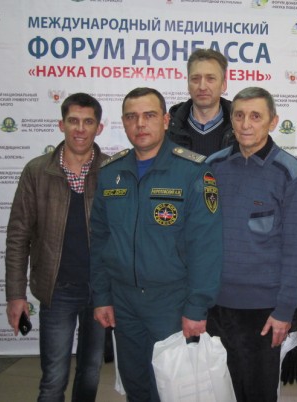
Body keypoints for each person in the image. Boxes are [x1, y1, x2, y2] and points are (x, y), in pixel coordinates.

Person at [89, 87, 222, 402]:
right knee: (135, 384)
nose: (140, 124)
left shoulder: (193, 171)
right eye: (131, 117)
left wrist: (196, 306)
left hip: (171, 302)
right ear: (124, 122)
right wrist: (102, 296)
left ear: (165, 120)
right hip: (124, 301)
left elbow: (206, 246)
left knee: (172, 388)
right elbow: (100, 240)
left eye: (149, 115)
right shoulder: (110, 173)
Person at [205, 86, 297, 402]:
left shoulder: (289, 171)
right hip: (216, 305)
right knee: (222, 392)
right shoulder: (213, 166)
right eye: (239, 116)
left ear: (272, 121)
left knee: (259, 393)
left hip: (264, 311)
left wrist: (285, 310)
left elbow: (296, 249)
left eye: (255, 116)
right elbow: (200, 236)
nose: (246, 124)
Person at [5, 92, 108, 402]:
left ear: (99, 128)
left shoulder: (113, 171)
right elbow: (18, 236)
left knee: (91, 372)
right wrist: (15, 295)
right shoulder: (37, 171)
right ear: (61, 125)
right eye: (73, 121)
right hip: (57, 289)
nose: (80, 129)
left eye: (88, 122)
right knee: (53, 379)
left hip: (101, 291)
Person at [167, 48, 235, 156]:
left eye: (210, 78)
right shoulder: (169, 129)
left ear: (223, 85)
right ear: (188, 84)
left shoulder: (240, 129)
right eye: (195, 79)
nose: (202, 87)